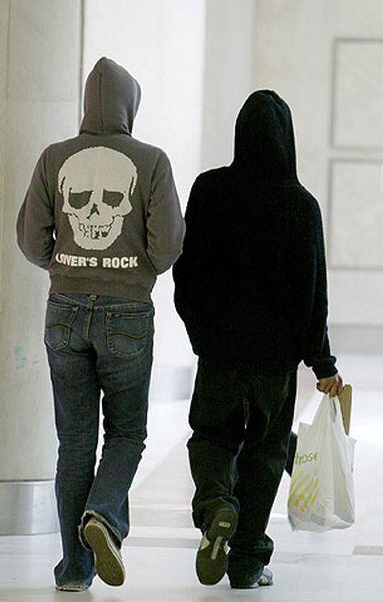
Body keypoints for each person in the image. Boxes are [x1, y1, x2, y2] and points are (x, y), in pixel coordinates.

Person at [16, 57, 185, 592]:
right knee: (128, 432)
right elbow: (168, 247)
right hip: (128, 313)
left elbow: (29, 239)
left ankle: (72, 569)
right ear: (130, 106)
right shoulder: (152, 161)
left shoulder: (53, 158)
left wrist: (65, 267)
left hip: (63, 310)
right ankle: (104, 515)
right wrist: (130, 270)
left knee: (74, 442)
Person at [173, 90, 343, 589]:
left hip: (219, 352)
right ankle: (247, 561)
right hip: (275, 362)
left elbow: (187, 271)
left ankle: (215, 505)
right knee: (266, 453)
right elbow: (315, 294)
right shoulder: (302, 205)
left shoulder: (210, 190)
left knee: (210, 436)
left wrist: (199, 330)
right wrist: (322, 362)